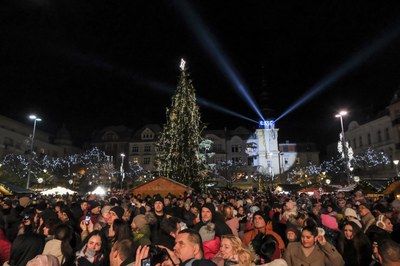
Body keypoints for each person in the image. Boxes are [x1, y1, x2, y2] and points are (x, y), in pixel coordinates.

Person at [135, 228, 217, 266]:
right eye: (175, 243)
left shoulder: (203, 264)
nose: (174, 247)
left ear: (195, 249)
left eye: (181, 244)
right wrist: (177, 263)